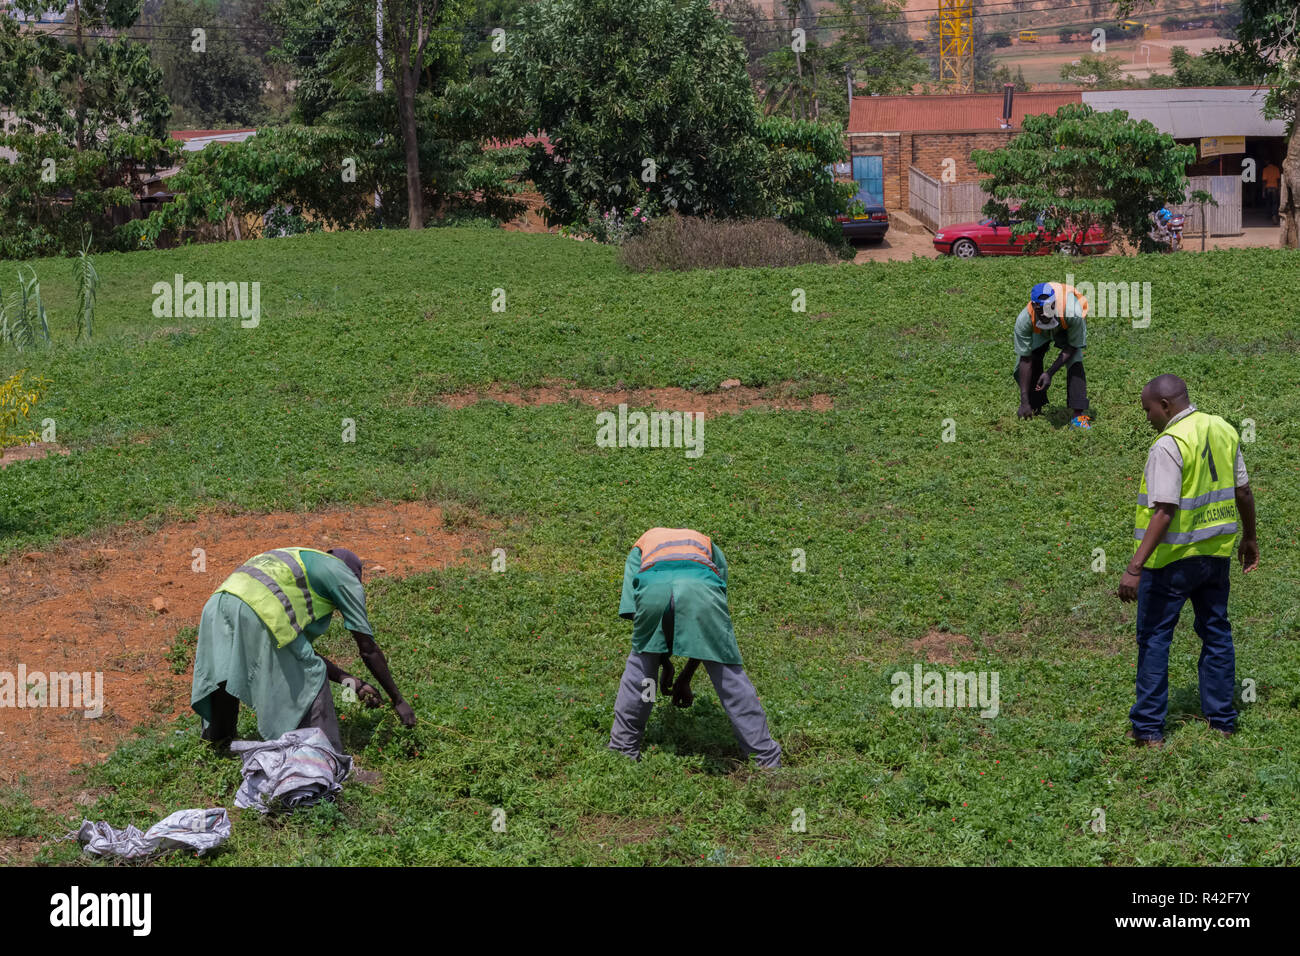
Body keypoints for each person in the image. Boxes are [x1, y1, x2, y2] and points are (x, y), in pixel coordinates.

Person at [1117, 375, 1259, 747]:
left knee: (1154, 639)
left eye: (1147, 409)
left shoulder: (1168, 444)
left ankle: (1148, 730)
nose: (1146, 417)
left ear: (1165, 405)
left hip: (1171, 563)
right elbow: (1242, 490)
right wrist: (1250, 537)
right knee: (1216, 633)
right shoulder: (1223, 429)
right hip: (1215, 557)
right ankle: (1222, 721)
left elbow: (1164, 510)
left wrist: (1135, 567)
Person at [191, 546, 415, 753]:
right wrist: (398, 700)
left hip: (219, 601)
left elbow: (299, 651)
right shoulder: (344, 576)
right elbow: (368, 649)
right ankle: (326, 760)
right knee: (312, 675)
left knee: (222, 668)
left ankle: (220, 743)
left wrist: (352, 682)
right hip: (260, 608)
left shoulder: (301, 566)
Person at [608, 528, 781, 768]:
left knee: (643, 675)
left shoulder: (642, 544)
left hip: (652, 591)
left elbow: (635, 609)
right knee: (729, 679)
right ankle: (766, 758)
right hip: (701, 591)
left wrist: (666, 669)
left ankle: (623, 750)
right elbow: (705, 630)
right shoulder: (708, 545)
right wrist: (678, 672)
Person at [1013, 281, 1091, 428]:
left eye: (1050, 307)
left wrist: (1050, 373)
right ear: (1034, 306)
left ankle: (1078, 416)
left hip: (1065, 325)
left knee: (1075, 361)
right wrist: (1024, 400)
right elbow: (1025, 358)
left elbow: (1073, 345)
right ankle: (1033, 407)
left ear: (1055, 304)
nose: (1045, 313)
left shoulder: (1072, 312)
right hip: (1039, 331)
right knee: (1031, 358)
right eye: (1041, 309)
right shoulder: (1024, 320)